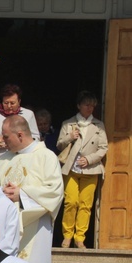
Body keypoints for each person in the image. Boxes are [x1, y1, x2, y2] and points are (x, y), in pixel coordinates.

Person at [0, 115, 63, 263]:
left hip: (35, 228)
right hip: (5, 229)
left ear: (21, 134)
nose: (3, 141)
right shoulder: (3, 159)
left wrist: (22, 195)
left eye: (7, 137)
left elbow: (55, 191)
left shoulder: (46, 157)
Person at [56, 91, 108, 249]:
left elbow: (103, 147)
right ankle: (67, 236)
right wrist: (70, 137)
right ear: (79, 106)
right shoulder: (68, 123)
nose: (90, 108)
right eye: (87, 105)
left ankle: (80, 238)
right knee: (71, 202)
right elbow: (59, 145)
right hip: (71, 168)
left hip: (91, 169)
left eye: (92, 106)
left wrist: (89, 159)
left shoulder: (99, 125)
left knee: (86, 204)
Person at [0, 83, 40, 161]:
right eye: (6, 103)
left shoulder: (28, 114)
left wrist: (21, 141)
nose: (9, 106)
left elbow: (36, 138)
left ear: (19, 101)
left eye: (12, 103)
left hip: (22, 157)